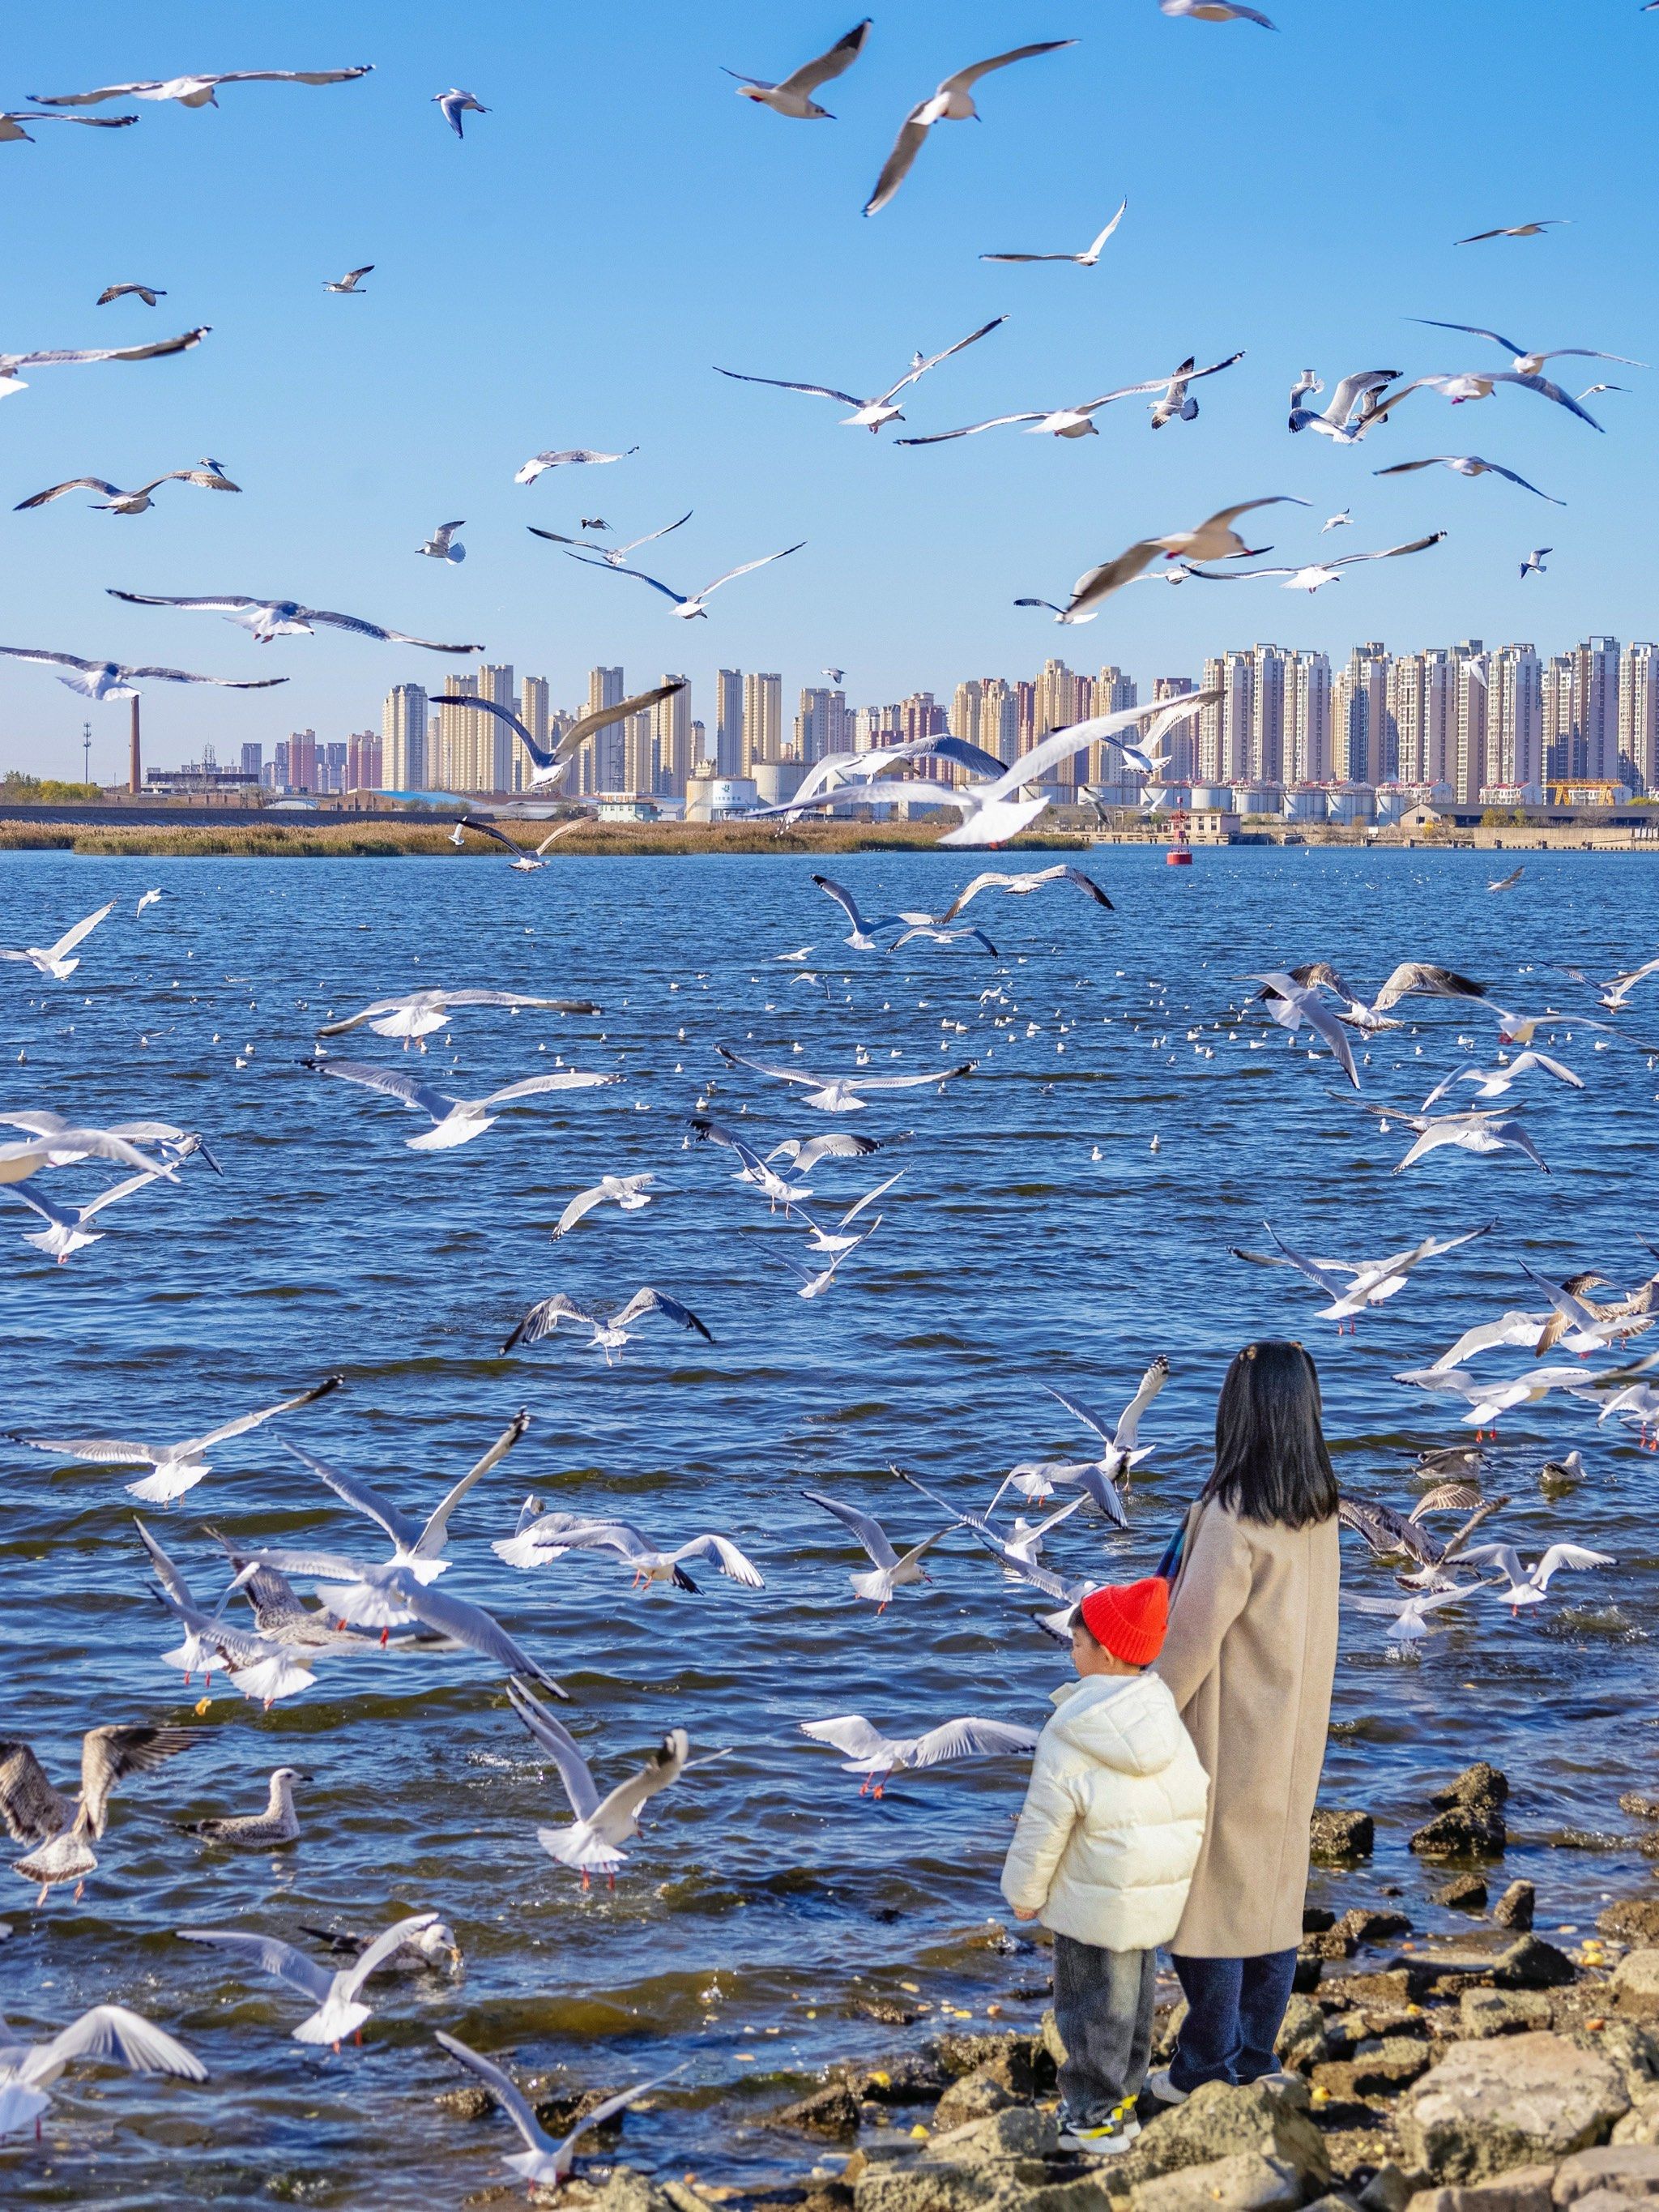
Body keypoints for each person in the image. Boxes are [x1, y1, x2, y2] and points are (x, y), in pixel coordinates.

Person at [1150, 1340, 1341, 2100]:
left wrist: (1131, 1720)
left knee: (1210, 1905)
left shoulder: (1232, 1516)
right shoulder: (1321, 1510)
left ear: (1239, 1414)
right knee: (1272, 1890)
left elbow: (1188, 1647)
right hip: (1295, 1725)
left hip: (1228, 1733)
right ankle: (1257, 2058)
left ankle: (1204, 2067)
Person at [1000, 1578, 1209, 2154]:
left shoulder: (1073, 1729)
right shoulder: (1161, 1710)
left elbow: (1045, 1823)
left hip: (1093, 1900)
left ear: (1108, 1652)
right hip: (1147, 1892)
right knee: (1132, 2006)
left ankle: (1093, 2120)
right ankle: (1125, 2106)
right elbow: (1194, 1793)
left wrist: (1024, 1890)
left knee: (1089, 2009)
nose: (1070, 1652)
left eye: (1077, 1643)